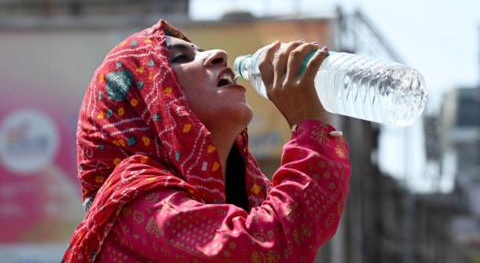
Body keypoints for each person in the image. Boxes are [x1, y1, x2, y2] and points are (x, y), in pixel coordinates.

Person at [62, 20, 351, 263]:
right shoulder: (133, 207)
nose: (218, 54)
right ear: (148, 109)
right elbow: (269, 246)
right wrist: (308, 125)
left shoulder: (253, 196)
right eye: (179, 58)